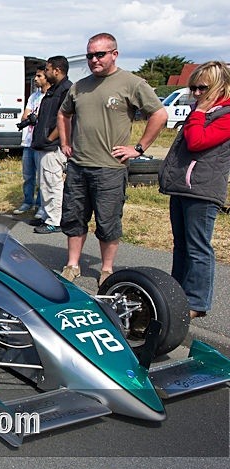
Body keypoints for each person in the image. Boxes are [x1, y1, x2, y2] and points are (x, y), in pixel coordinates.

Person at [57, 32, 167, 285]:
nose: (94, 59)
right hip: (78, 166)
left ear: (114, 54)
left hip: (110, 168)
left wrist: (138, 148)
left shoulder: (132, 83)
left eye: (100, 54)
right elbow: (63, 115)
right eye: (90, 55)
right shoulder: (79, 86)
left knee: (107, 222)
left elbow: (159, 114)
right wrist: (64, 142)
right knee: (74, 218)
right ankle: (72, 264)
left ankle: (106, 269)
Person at [159, 61, 230, 319]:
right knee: (181, 244)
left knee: (198, 246)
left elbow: (198, 141)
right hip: (182, 186)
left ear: (220, 87)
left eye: (203, 88)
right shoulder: (201, 111)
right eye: (194, 88)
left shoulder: (225, 115)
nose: (197, 93)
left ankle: (197, 302)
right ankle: (176, 293)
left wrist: (199, 113)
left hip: (202, 189)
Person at [28, 56, 73, 235]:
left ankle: (55, 220)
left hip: (52, 146)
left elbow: (65, 117)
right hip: (43, 144)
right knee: (44, 183)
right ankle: (46, 215)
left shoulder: (66, 90)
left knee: (53, 184)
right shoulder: (53, 89)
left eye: (47, 69)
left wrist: (50, 138)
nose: (45, 73)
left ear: (57, 70)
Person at [14, 68, 49, 216]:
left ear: (47, 78)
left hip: (40, 143)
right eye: (35, 75)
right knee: (28, 176)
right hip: (28, 142)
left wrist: (35, 119)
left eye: (39, 76)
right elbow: (24, 117)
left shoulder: (50, 97)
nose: (35, 79)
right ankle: (28, 201)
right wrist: (30, 119)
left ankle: (40, 205)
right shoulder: (33, 96)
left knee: (42, 177)